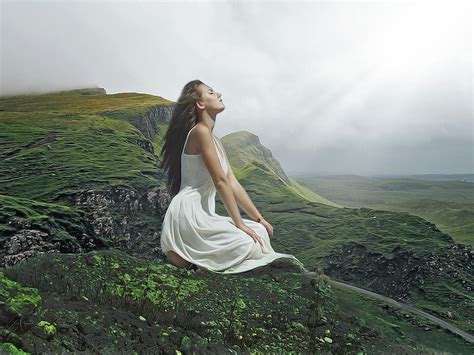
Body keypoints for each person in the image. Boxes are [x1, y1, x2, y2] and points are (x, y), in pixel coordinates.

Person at [158, 79, 305, 274]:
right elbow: (220, 182)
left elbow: (232, 183)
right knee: (247, 241)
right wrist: (240, 224)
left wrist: (260, 220)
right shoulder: (200, 132)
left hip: (205, 214)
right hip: (189, 215)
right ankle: (187, 256)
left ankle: (195, 258)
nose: (218, 94)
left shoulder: (215, 140)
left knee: (260, 232)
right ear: (200, 104)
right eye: (211, 92)